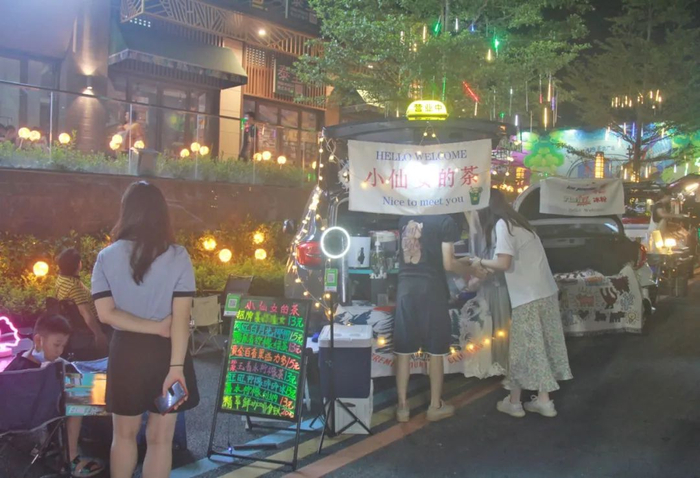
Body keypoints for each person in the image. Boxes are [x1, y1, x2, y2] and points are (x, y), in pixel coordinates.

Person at [92, 181, 199, 478]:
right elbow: (181, 319)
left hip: (126, 354)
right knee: (160, 439)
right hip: (168, 356)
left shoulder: (105, 257)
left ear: (126, 211)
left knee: (123, 436)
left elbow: (105, 314)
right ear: (162, 213)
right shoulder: (178, 256)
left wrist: (152, 327)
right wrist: (176, 368)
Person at [465, 189, 572, 418]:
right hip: (545, 293)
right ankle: (540, 400)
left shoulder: (503, 225)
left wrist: (477, 261)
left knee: (523, 350)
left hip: (528, 296)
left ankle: (518, 403)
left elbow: (503, 263)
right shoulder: (520, 223)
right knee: (538, 346)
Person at [394, 214, 478, 423]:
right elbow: (448, 263)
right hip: (431, 290)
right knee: (435, 350)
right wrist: (470, 269)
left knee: (403, 349)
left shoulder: (405, 218)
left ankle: (402, 407)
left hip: (405, 288)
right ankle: (435, 406)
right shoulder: (444, 221)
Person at [5, 314, 106, 477]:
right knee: (83, 392)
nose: (60, 351)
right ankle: (72, 457)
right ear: (38, 340)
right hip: (34, 427)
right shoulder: (43, 373)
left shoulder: (16, 366)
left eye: (63, 346)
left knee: (83, 388)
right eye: (56, 345)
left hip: (11, 425)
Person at [465, 210, 511, 375]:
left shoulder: (496, 229)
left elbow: (496, 262)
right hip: (486, 287)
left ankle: (498, 363)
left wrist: (477, 280)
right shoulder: (483, 231)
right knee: (488, 327)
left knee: (497, 327)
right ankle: (490, 363)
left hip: (496, 287)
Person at [56, 248, 109, 353]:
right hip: (97, 324)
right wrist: (99, 335)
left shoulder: (61, 280)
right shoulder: (74, 287)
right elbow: (86, 313)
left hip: (78, 326)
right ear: (78, 265)